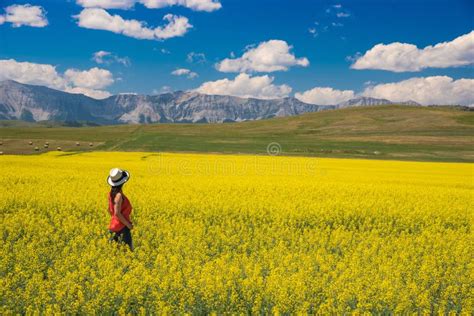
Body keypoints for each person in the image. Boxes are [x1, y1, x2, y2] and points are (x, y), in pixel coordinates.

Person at [107, 168, 133, 251]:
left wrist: (114, 219)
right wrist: (128, 224)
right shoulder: (119, 196)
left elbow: (109, 210)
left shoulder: (111, 194)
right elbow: (117, 213)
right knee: (127, 252)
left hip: (113, 226)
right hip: (122, 228)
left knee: (114, 252)